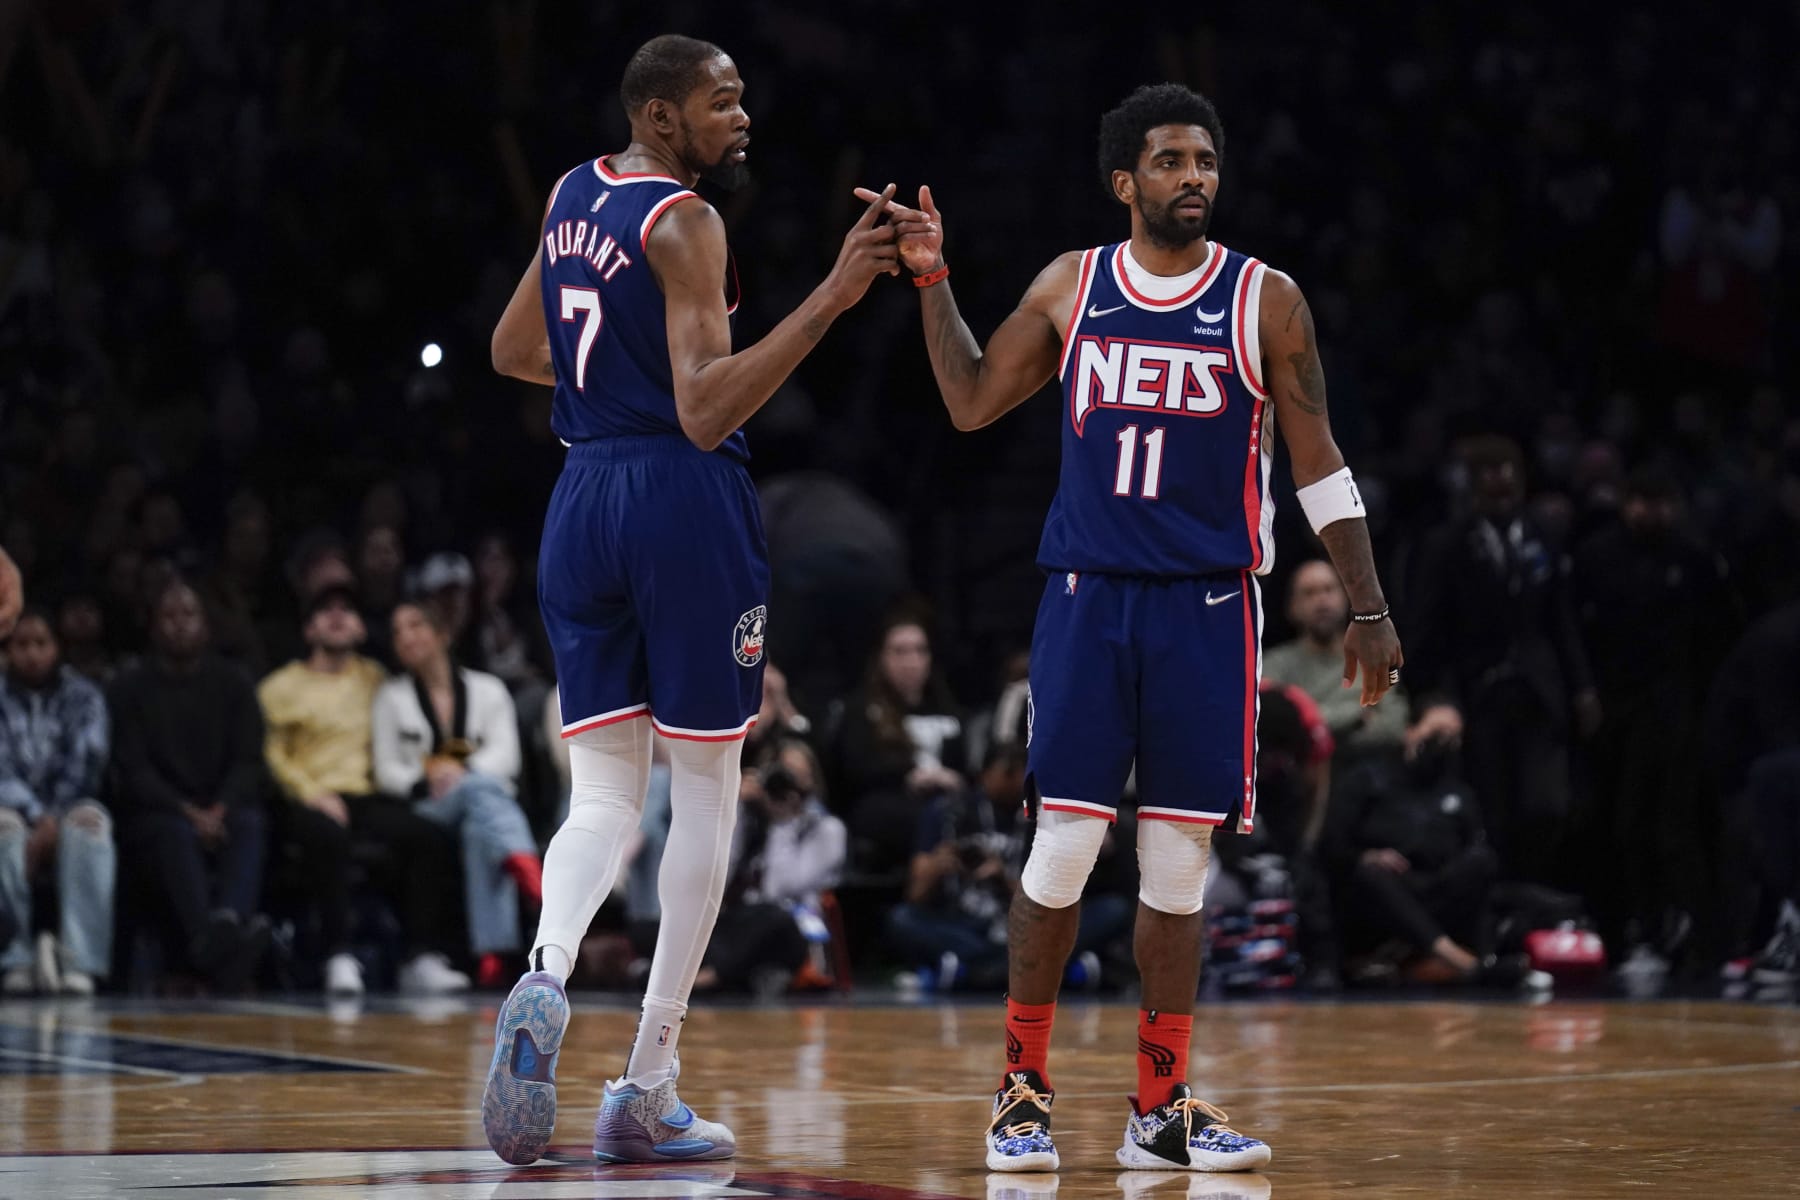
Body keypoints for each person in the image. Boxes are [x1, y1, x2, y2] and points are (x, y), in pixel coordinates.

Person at [868, 82, 1401, 1173]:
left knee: (1177, 865)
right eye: (1169, 161)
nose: (1193, 177)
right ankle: (1021, 1092)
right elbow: (971, 401)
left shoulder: (1266, 301)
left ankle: (1161, 1107)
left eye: (1204, 160)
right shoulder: (1076, 285)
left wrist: (1370, 606)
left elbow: (1321, 464)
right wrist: (931, 279)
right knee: (1062, 850)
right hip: (1089, 599)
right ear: (1126, 182)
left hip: (1209, 609)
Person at [479, 33, 902, 1167]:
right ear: (662, 119)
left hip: (581, 496)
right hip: (681, 497)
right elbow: (709, 408)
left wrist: (611, 377)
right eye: (723, 103)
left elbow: (516, 348)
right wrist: (837, 292)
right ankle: (647, 1085)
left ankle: (547, 969)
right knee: (709, 782)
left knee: (605, 790)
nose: (742, 117)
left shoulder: (573, 193)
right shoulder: (687, 220)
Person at [260, 584, 467, 996]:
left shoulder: (376, 679)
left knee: (426, 834)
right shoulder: (279, 687)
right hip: (307, 796)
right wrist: (309, 793)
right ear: (308, 629)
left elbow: (425, 681)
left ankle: (419, 958)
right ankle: (338, 955)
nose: (336, 616)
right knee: (327, 836)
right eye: (324, 610)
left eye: (346, 609)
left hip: (367, 796)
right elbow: (272, 755)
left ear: (359, 628)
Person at [373, 600, 542, 988]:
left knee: (479, 822)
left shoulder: (488, 689)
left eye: (415, 625)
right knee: (482, 794)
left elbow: (507, 757)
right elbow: (386, 772)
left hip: (480, 806)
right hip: (429, 807)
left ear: (442, 634)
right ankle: (526, 866)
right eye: (397, 631)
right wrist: (428, 777)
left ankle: (491, 958)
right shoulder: (392, 697)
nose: (406, 637)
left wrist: (461, 771)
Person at [0, 608, 114, 995]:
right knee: (3, 828)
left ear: (57, 648)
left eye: (41, 643)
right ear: (7, 650)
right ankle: (14, 957)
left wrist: (53, 819)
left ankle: (79, 960)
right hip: (12, 805)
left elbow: (86, 764)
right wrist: (35, 815)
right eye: (22, 645)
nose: (32, 653)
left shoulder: (84, 696)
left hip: (69, 804)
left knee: (92, 826)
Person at [825, 615, 968, 873]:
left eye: (919, 650)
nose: (911, 661)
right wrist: (908, 777)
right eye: (900, 651)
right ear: (881, 657)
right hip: (889, 809)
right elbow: (851, 773)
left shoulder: (949, 710)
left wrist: (955, 779)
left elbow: (969, 768)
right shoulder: (861, 711)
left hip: (947, 806)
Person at [1264, 559, 1408, 772]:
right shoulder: (1275, 664)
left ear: (1346, 598)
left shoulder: (1374, 659)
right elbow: (1278, 729)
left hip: (1369, 776)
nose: (1322, 601)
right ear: (1292, 607)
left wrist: (1316, 725)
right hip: (1302, 776)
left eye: (1329, 589)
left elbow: (1395, 725)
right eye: (1309, 593)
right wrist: (1357, 716)